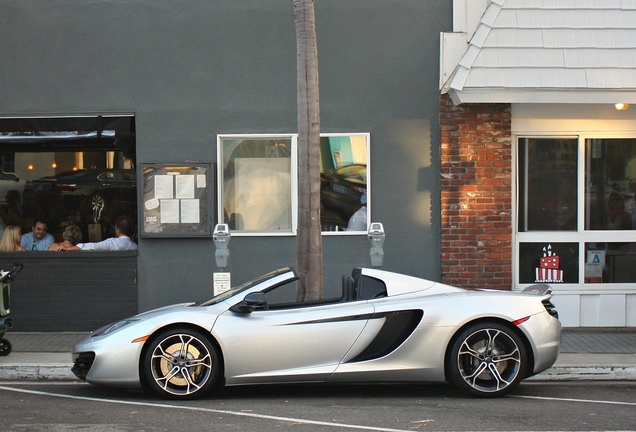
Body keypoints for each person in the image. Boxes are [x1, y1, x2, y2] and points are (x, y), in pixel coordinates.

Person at [59, 215, 138, 251]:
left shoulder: (111, 243)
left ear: (117, 230)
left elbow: (93, 246)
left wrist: (67, 248)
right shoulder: (135, 247)